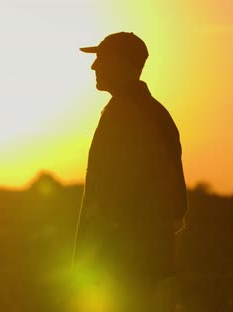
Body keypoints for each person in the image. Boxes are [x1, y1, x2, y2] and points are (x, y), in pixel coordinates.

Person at [71, 32, 188, 312]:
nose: (94, 67)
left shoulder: (127, 114)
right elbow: (176, 205)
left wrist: (99, 259)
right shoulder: (151, 112)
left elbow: (115, 197)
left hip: (120, 267)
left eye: (101, 58)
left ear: (123, 63)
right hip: (135, 265)